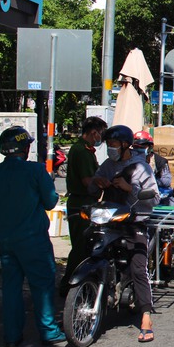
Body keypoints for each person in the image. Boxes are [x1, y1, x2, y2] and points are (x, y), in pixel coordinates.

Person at [0, 126, 67, 347]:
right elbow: (50, 202)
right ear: (26, 148)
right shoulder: (36, 171)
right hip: (33, 240)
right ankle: (48, 331)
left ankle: (11, 335)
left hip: (6, 241)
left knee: (11, 287)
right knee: (42, 284)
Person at [88, 125, 159, 342]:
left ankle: (146, 315)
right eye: (108, 145)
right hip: (110, 222)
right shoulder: (107, 165)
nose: (111, 149)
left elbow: (154, 198)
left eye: (114, 145)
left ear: (125, 145)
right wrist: (97, 183)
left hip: (135, 221)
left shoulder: (141, 168)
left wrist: (130, 189)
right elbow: (92, 190)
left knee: (138, 267)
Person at [133, 131, 174, 288]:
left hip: (163, 201)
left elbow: (165, 182)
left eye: (143, 146)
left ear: (150, 148)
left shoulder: (159, 161)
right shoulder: (130, 162)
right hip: (140, 204)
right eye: (136, 147)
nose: (139, 150)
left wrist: (151, 180)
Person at [60, 116, 107, 297]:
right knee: (81, 247)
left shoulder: (84, 150)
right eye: (100, 134)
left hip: (85, 203)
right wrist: (106, 183)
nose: (100, 138)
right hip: (82, 204)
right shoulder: (81, 151)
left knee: (86, 246)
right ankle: (68, 284)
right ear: (93, 132)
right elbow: (88, 181)